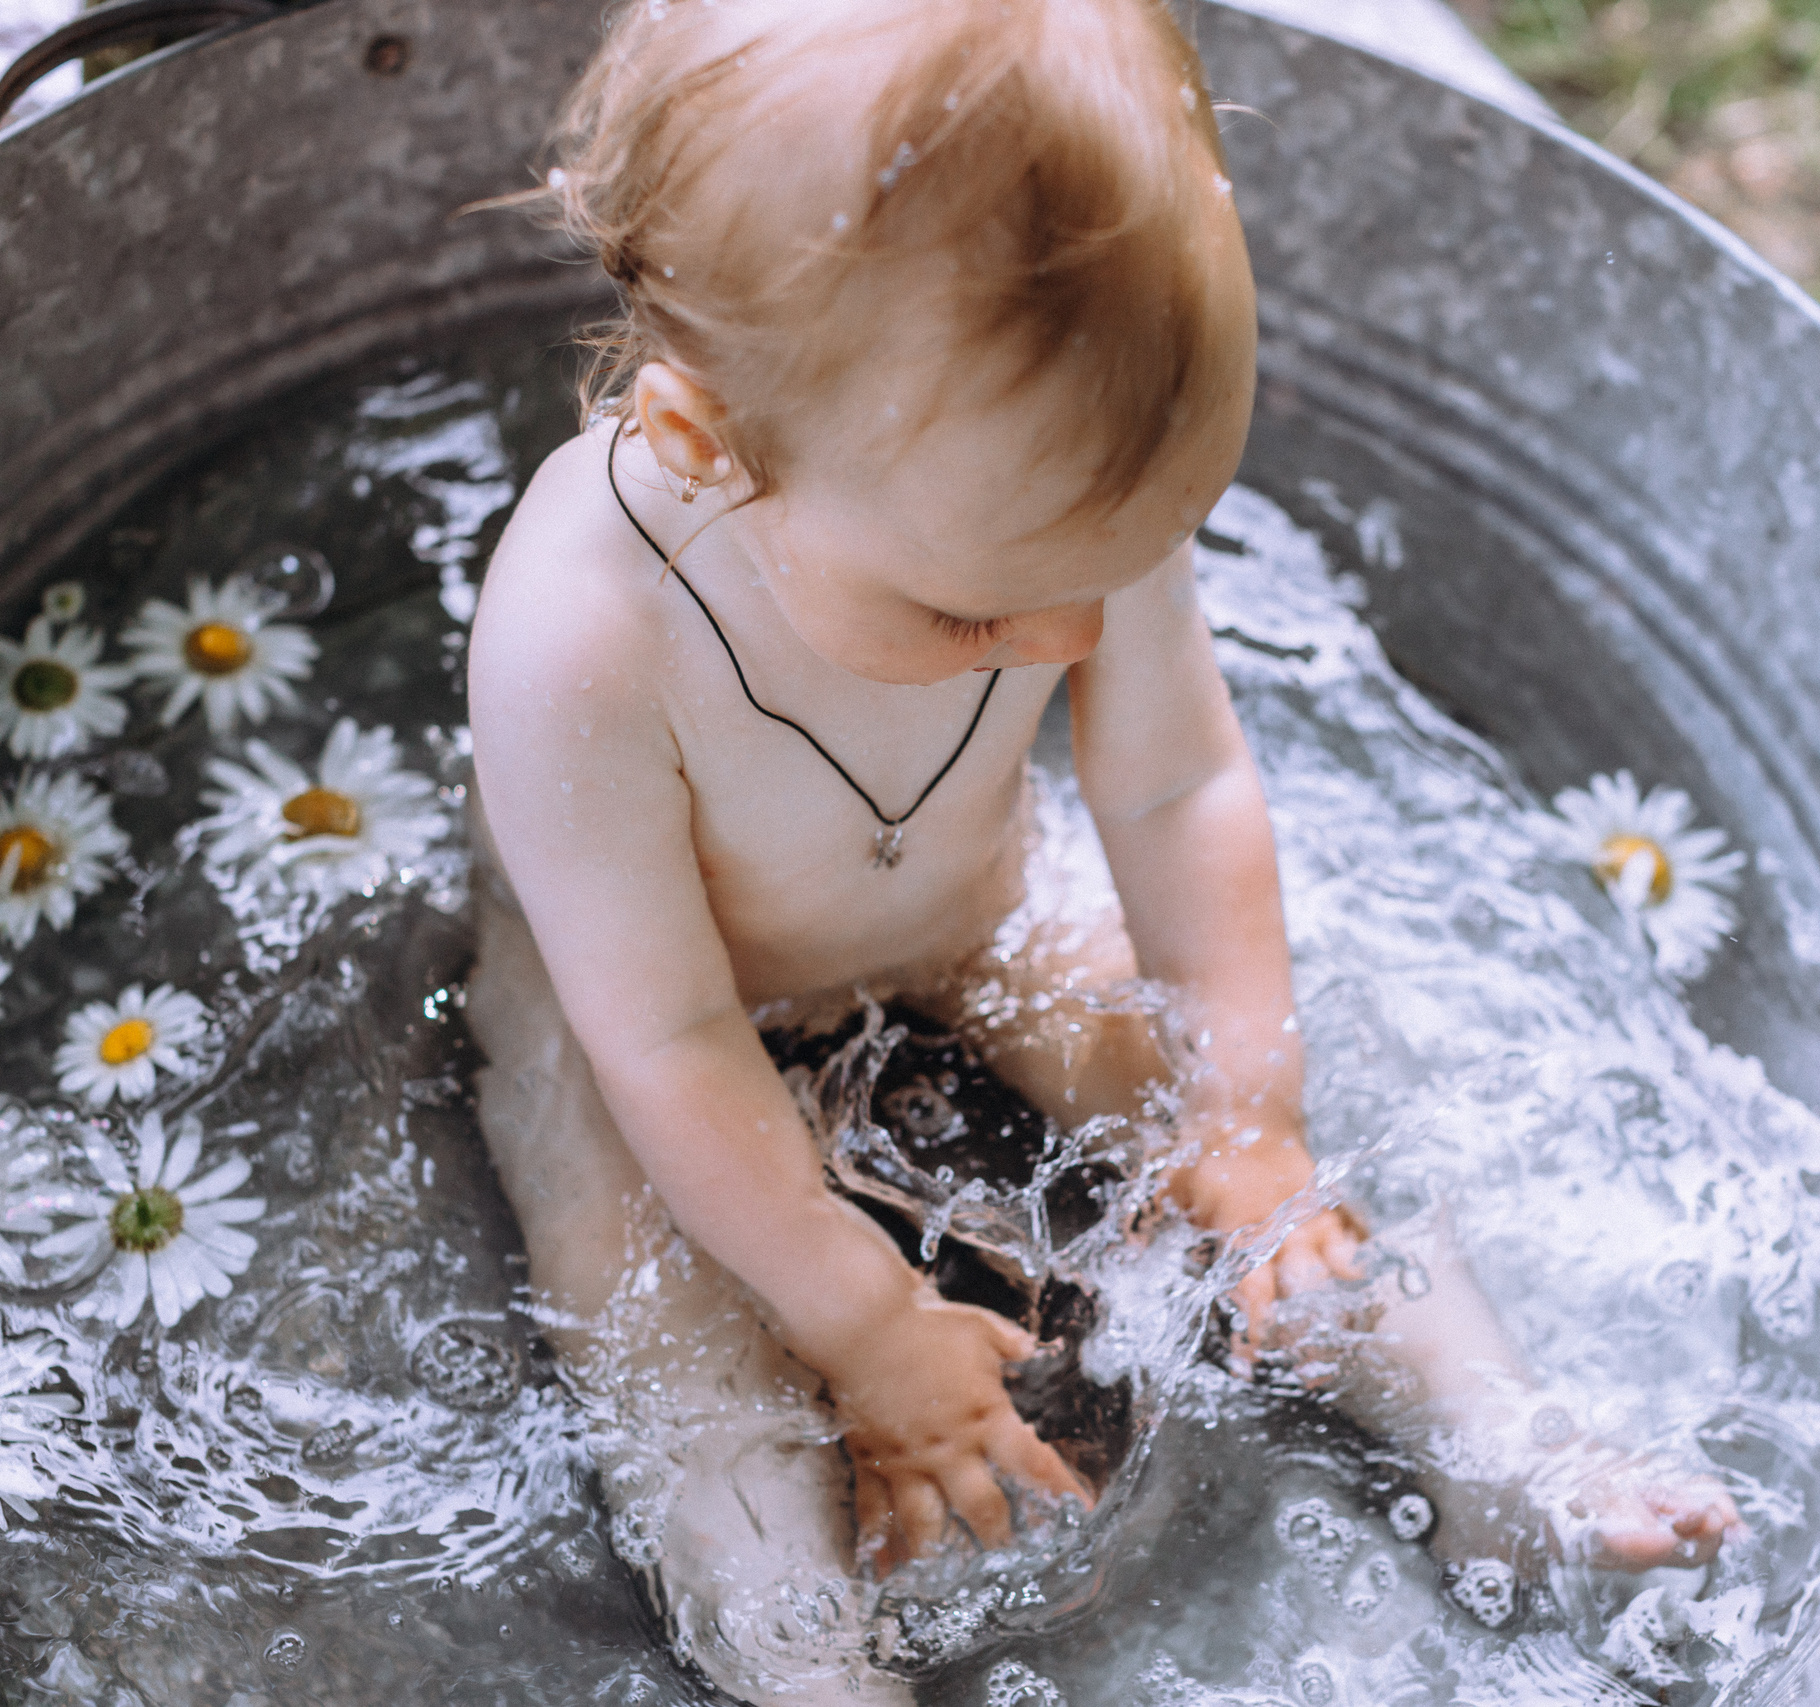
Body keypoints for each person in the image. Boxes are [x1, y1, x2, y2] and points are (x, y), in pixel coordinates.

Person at [464, 0, 1740, 1698]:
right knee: (667, 1348)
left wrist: (1249, 1113)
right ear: (707, 446)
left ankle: (1496, 1441)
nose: (1070, 636)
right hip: (635, 1022)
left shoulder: (1046, 484)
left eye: (1116, 563)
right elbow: (667, 1038)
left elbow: (1174, 788)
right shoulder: (578, 628)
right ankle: (807, 1665)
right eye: (979, 608)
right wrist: (864, 1326)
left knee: (1271, 1175)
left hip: (973, 904)